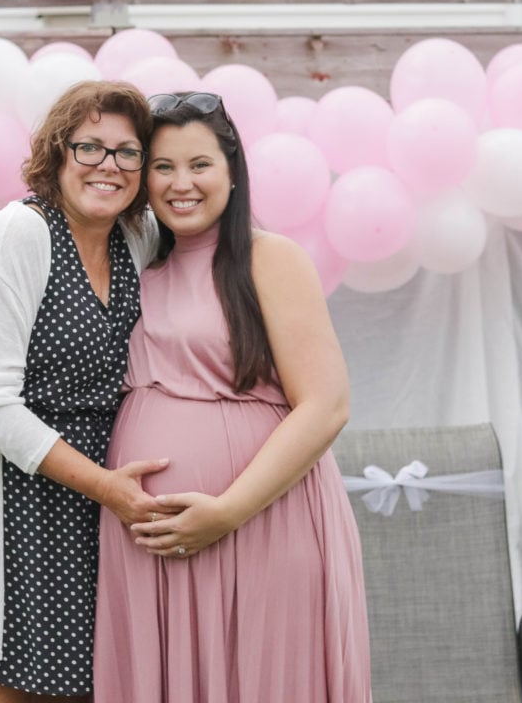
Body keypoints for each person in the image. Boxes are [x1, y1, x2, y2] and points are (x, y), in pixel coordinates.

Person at [93, 90, 371, 702]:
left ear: (232, 172)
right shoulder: (133, 263)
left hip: (263, 523)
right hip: (148, 543)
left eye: (199, 165)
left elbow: (326, 405)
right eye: (163, 167)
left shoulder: (270, 259)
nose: (180, 183)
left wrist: (227, 512)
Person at [0, 80, 169, 703]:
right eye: (90, 148)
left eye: (127, 153)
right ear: (57, 154)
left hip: (89, 507)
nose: (108, 166)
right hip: (9, 499)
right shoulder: (21, 234)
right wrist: (106, 485)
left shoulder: (136, 240)